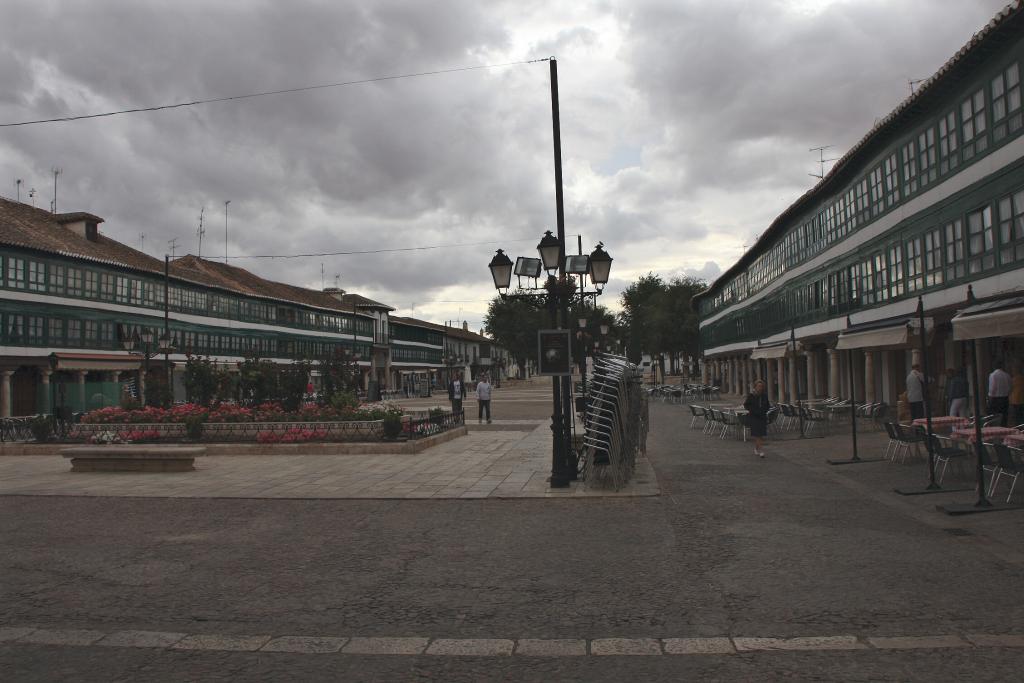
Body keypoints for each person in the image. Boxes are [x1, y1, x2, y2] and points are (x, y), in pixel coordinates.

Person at [744, 379, 772, 458]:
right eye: (759, 386)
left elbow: (767, 405)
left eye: (761, 386)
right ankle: (761, 451)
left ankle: (756, 448)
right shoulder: (751, 395)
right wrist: (752, 410)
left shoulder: (764, 396)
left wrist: (764, 410)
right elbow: (746, 405)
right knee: (757, 434)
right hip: (754, 417)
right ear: (755, 387)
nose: (760, 388)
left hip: (762, 416)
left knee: (761, 435)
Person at [988, 360, 1012, 427]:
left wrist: (990, 398)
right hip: (1005, 398)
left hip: (995, 398)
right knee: (1004, 416)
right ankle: (1003, 428)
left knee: (995, 416)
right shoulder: (1007, 375)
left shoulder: (993, 375)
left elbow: (992, 388)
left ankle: (996, 429)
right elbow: (1010, 387)